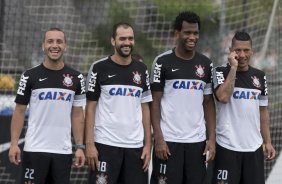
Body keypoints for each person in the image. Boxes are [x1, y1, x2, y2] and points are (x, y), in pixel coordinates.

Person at [8, 27, 86, 184]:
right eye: (50, 41)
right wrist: (14, 144)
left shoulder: (76, 77)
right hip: (34, 150)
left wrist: (79, 146)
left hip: (62, 151)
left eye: (59, 41)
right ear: (43, 45)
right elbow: (19, 111)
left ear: (66, 46)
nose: (54, 45)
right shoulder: (29, 76)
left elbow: (77, 114)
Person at [150, 11, 216, 184]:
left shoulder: (206, 64)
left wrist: (212, 139)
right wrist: (159, 138)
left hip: (197, 143)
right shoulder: (161, 62)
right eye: (187, 32)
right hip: (169, 142)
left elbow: (208, 103)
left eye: (195, 33)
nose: (192, 37)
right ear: (177, 34)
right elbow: (154, 103)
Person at [85, 22, 152, 184]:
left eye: (130, 38)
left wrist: (148, 145)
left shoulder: (142, 70)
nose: (127, 43)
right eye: (122, 38)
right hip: (105, 145)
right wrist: (89, 144)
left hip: (135, 147)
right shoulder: (99, 68)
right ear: (113, 41)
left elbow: (145, 108)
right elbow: (90, 108)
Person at [212, 31, 276, 184]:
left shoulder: (260, 76)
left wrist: (267, 141)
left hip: (253, 149)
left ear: (251, 51)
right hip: (226, 147)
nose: (242, 55)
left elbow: (263, 111)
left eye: (246, 50)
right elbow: (223, 97)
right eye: (237, 50)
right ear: (230, 51)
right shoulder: (220, 72)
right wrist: (233, 68)